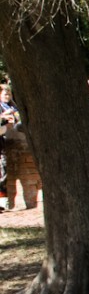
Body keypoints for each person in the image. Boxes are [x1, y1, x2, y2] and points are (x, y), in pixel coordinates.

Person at [0, 83, 21, 212]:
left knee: (2, 172)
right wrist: (4, 124)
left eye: (9, 94)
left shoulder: (12, 106)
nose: (8, 96)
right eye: (5, 94)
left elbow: (18, 117)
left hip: (2, 143)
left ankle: (2, 203)